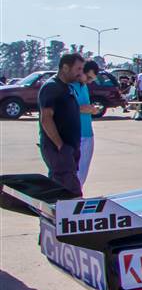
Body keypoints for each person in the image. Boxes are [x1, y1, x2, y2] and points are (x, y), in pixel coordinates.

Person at [38, 53, 85, 196]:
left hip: (68, 148)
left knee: (59, 193)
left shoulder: (66, 87)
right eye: (78, 69)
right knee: (71, 194)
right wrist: (60, 146)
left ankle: (53, 217)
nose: (80, 73)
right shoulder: (52, 87)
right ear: (65, 67)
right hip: (58, 149)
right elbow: (46, 118)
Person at [71, 60, 101, 189]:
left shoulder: (83, 86)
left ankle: (77, 193)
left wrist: (91, 109)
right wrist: (84, 109)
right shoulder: (70, 85)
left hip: (87, 134)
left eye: (92, 79)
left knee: (82, 173)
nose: (89, 81)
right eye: (88, 77)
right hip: (76, 135)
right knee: (73, 173)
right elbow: (68, 108)